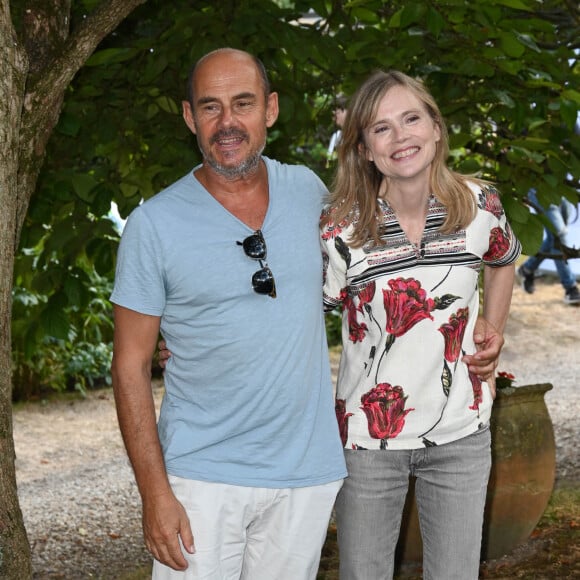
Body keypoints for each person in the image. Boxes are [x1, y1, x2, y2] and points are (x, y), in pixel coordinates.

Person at [110, 48, 348, 579]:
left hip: (305, 472)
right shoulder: (154, 226)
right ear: (190, 117)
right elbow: (129, 365)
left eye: (243, 103)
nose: (228, 122)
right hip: (201, 477)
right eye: (210, 107)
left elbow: (375, 267)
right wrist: (155, 493)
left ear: (271, 109)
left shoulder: (309, 192)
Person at [320, 70, 521, 579]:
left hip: (460, 432)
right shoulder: (339, 229)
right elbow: (296, 317)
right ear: (364, 149)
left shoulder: (480, 205)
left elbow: (502, 260)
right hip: (368, 441)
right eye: (381, 128)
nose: (401, 136)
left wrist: (492, 330)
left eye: (411, 118)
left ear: (435, 127)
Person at [517, 189, 580, 305]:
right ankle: (570, 288)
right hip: (539, 187)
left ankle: (527, 269)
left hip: (561, 187)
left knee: (553, 239)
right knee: (559, 237)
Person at [326, 94, 348, 167]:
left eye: (337, 112)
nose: (334, 117)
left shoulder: (362, 133)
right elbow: (328, 161)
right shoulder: (337, 136)